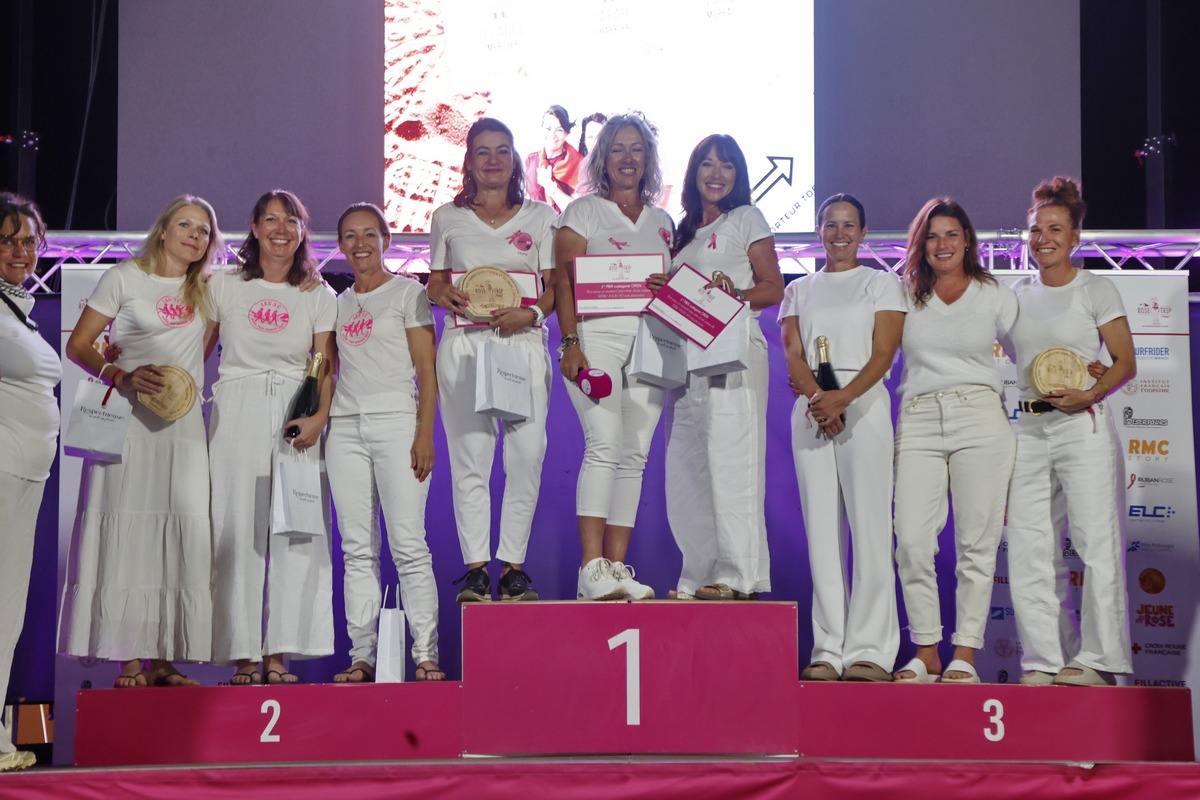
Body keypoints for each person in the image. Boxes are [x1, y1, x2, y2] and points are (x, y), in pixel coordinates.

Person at [61, 195, 222, 687]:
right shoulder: (125, 277)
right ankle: (128, 657)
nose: (194, 235)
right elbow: (79, 345)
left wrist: (175, 390)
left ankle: (166, 659)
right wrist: (121, 374)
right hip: (129, 425)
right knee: (128, 535)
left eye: (203, 230)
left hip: (183, 430)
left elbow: (198, 354)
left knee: (179, 534)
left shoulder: (208, 290)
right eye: (185, 225)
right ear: (163, 230)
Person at [1006, 177, 1136, 687]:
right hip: (1030, 428)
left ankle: (1100, 660)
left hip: (1082, 426)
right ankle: (1045, 659)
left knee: (1095, 543)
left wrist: (1092, 393)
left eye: (1055, 229)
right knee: (1030, 546)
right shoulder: (1016, 294)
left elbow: (1124, 361)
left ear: (1075, 237)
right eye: (1036, 230)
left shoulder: (1095, 288)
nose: (1043, 239)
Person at [208, 190, 337, 685]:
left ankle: (279, 652)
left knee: (294, 530)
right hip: (236, 408)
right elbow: (196, 350)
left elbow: (324, 365)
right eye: (271, 220)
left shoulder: (318, 295)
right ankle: (242, 651)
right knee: (236, 526)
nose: (281, 229)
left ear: (302, 231)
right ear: (255, 227)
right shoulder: (224, 285)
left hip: (294, 413)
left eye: (291, 221)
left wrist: (319, 417)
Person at [427, 118, 556, 603]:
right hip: (465, 344)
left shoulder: (541, 217)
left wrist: (532, 314)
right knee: (470, 459)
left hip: (522, 343)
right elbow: (435, 281)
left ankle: (513, 569)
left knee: (527, 457)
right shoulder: (447, 217)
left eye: (503, 150)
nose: (494, 160)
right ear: (469, 161)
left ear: (516, 159)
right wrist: (442, 294)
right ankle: (477, 570)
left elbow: (556, 288)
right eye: (483, 151)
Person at [778, 194, 904, 682]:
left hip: (864, 404)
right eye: (831, 225)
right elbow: (793, 352)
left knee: (870, 528)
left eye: (849, 225)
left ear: (864, 232)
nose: (840, 234)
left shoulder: (881, 283)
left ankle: (871, 649)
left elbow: (884, 352)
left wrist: (843, 398)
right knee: (822, 533)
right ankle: (828, 648)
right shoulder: (799, 288)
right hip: (812, 409)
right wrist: (819, 399)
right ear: (819, 231)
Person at [891, 198, 1017, 684]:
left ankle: (965, 652)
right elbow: (875, 352)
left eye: (951, 234)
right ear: (920, 244)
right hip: (919, 418)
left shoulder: (993, 293)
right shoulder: (905, 293)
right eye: (932, 236)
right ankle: (926, 651)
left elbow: (1031, 353)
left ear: (967, 240)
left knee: (976, 544)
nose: (942, 244)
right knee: (911, 541)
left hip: (980, 417)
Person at [658, 134, 783, 601]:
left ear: (738, 175)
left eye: (726, 165)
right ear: (693, 173)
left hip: (732, 352)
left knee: (731, 460)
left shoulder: (746, 218)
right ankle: (698, 572)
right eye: (707, 164)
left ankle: (737, 574)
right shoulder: (682, 232)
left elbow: (772, 287)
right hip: (686, 359)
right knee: (688, 467)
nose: (716, 174)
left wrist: (733, 297)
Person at [555, 113, 673, 601]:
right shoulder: (582, 211)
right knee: (604, 443)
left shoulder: (663, 222)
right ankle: (590, 569)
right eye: (618, 149)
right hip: (595, 337)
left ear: (648, 159)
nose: (628, 158)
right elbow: (562, 281)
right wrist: (570, 342)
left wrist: (671, 287)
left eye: (637, 149)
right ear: (603, 158)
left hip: (650, 343)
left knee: (635, 453)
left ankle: (617, 569)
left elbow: (673, 289)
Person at [327, 202, 444, 682]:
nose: (360, 244)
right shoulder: (336, 304)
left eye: (369, 234)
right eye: (350, 236)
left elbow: (427, 371)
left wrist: (424, 433)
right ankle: (362, 656)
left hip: (398, 425)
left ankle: (426, 654)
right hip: (345, 430)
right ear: (340, 245)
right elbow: (326, 371)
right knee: (357, 549)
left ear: (386, 241)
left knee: (409, 546)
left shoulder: (408, 293)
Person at [0, 193, 59, 771]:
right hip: (3, 471)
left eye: (29, 241)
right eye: (8, 240)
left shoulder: (17, 308)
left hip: (25, 474)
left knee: (8, 611)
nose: (22, 251)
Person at [525, 104, 583, 213]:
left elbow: (578, 212)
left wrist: (550, 186)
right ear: (541, 129)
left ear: (566, 133)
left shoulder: (578, 164)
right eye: (548, 129)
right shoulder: (530, 161)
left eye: (559, 130)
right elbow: (526, 201)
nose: (552, 135)